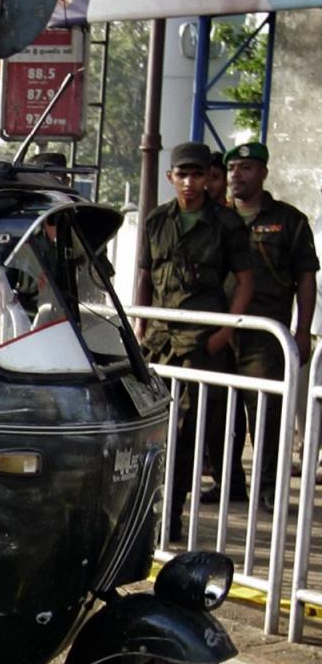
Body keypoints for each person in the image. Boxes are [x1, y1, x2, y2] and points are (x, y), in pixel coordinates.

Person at [138, 141, 254, 534]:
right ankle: (148, 511)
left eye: (197, 174)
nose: (189, 182)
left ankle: (172, 513)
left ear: (208, 178)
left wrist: (225, 331)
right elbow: (143, 275)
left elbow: (245, 281)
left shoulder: (227, 225)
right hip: (159, 341)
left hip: (202, 344)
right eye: (182, 174)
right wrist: (139, 324)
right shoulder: (156, 221)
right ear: (171, 177)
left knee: (191, 432)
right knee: (152, 427)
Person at [222, 140, 317, 480]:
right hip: (221, 329)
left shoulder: (289, 221)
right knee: (221, 412)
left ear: (263, 173)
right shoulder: (218, 216)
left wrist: (302, 331)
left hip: (264, 332)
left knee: (265, 412)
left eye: (246, 168)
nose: (237, 175)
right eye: (232, 169)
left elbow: (306, 278)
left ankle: (267, 487)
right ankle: (228, 481)